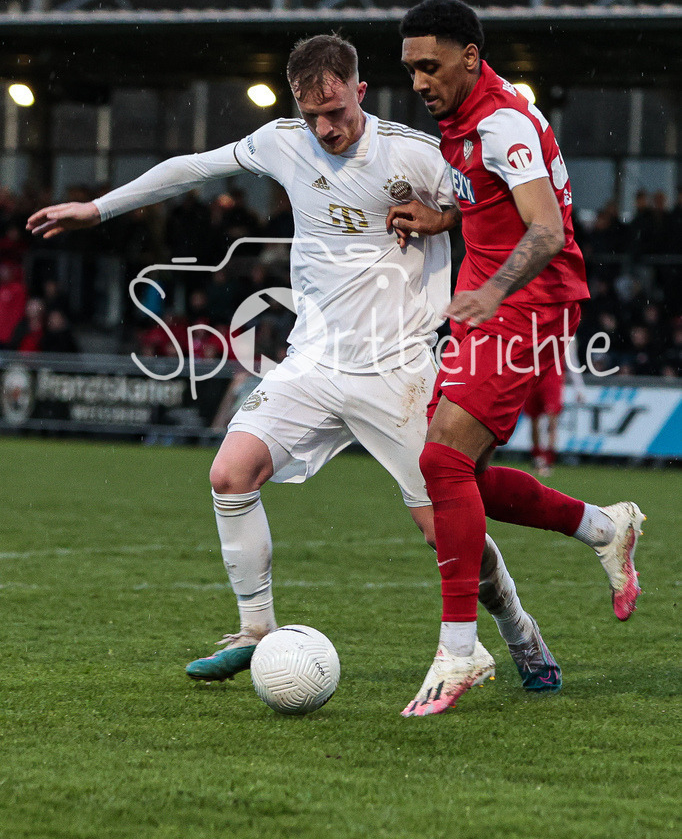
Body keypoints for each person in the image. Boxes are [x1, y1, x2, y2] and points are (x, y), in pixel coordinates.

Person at [28, 34, 564, 697]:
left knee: (443, 531)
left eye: (337, 111)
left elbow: (497, 208)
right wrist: (97, 208)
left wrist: (445, 215)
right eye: (313, 114)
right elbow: (191, 167)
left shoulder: (416, 152)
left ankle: (520, 630)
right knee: (230, 473)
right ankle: (254, 632)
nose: (326, 127)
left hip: (399, 370)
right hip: (312, 361)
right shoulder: (284, 141)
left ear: (360, 91)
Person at [393, 0, 645, 717]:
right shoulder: (464, 118)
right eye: (410, 69)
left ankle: (460, 649)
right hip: (491, 296)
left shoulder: (502, 123)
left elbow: (545, 231)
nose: (418, 82)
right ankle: (604, 526)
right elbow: (493, 205)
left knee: (440, 464)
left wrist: (492, 288)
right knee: (464, 473)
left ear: (471, 56)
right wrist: (446, 219)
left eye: (430, 66)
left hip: (527, 300)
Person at [523, 339, 586, 476]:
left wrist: (579, 388)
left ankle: (548, 459)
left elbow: (572, 360)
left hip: (552, 381)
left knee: (552, 421)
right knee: (534, 422)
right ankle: (537, 455)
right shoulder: (533, 328)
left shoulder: (565, 331)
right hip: (533, 379)